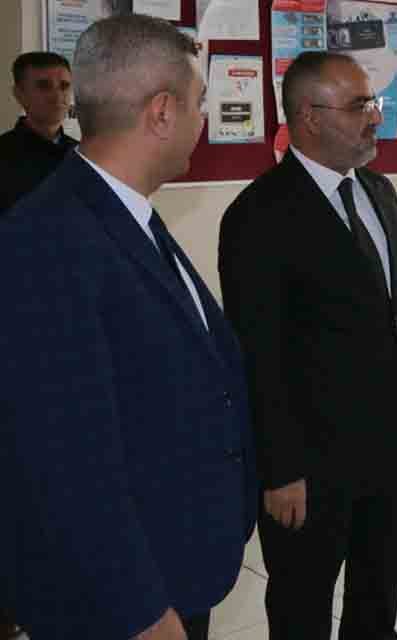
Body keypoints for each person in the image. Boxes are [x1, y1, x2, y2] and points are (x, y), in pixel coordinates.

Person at [0, 14, 255, 640]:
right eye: (198, 101)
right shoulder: (46, 239)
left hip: (173, 560)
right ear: (162, 111)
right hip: (121, 602)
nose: (203, 118)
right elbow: (64, 456)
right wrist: (140, 609)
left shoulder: (124, 212)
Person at [218, 50, 397, 640]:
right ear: (309, 116)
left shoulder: (379, 191)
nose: (375, 117)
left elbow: (391, 317)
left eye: (373, 102)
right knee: (302, 609)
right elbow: (257, 354)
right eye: (359, 106)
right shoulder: (259, 213)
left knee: (377, 600)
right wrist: (280, 470)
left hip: (390, 453)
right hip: (311, 466)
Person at [0, 51, 76, 213]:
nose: (57, 96)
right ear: (19, 94)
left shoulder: (83, 155)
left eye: (64, 86)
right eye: (44, 86)